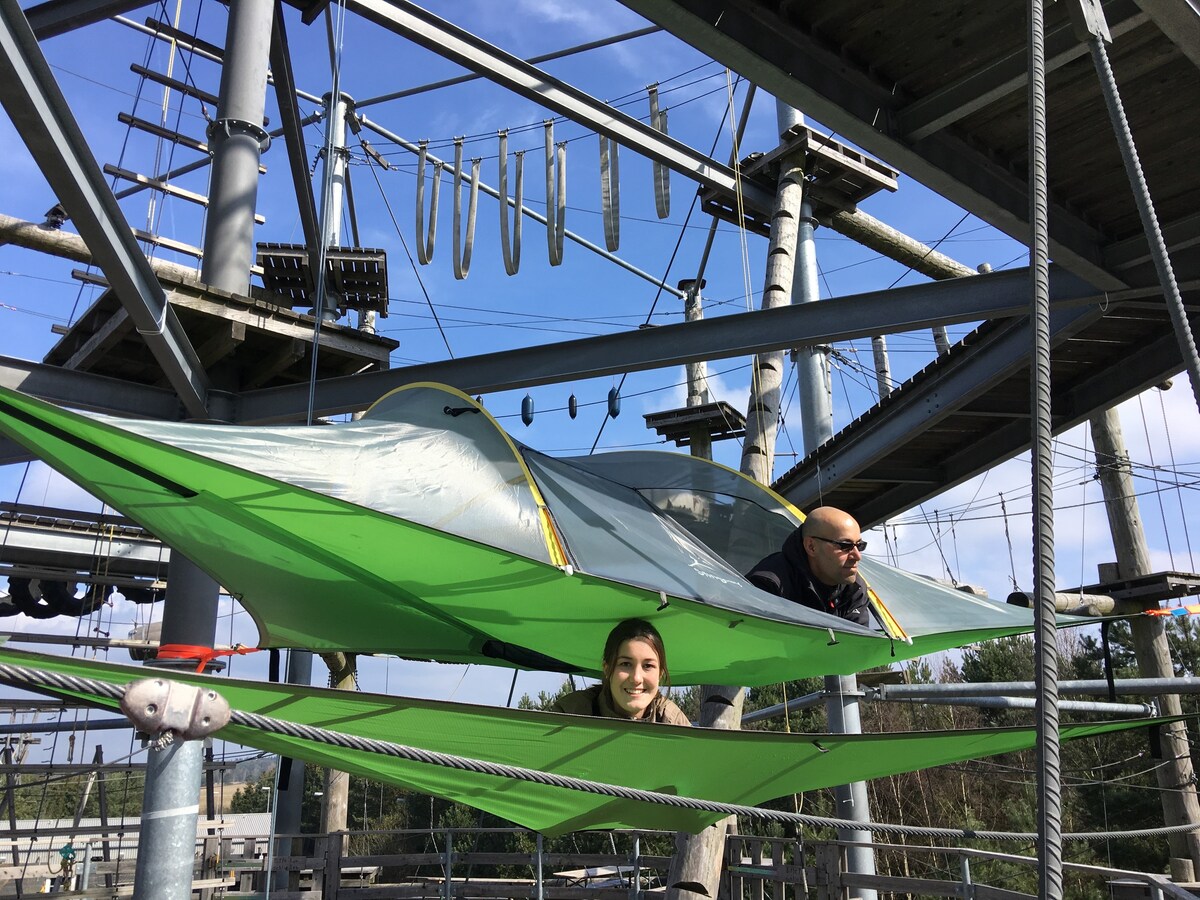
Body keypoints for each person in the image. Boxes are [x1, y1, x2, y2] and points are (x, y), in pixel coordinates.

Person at [745, 506, 871, 626]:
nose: (857, 556)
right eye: (845, 546)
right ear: (811, 547)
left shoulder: (855, 588)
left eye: (859, 545)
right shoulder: (768, 586)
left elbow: (858, 646)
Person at [550, 618, 691, 725]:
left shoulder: (673, 721)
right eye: (625, 664)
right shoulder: (570, 713)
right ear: (607, 669)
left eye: (648, 666)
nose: (636, 678)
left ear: (660, 674)